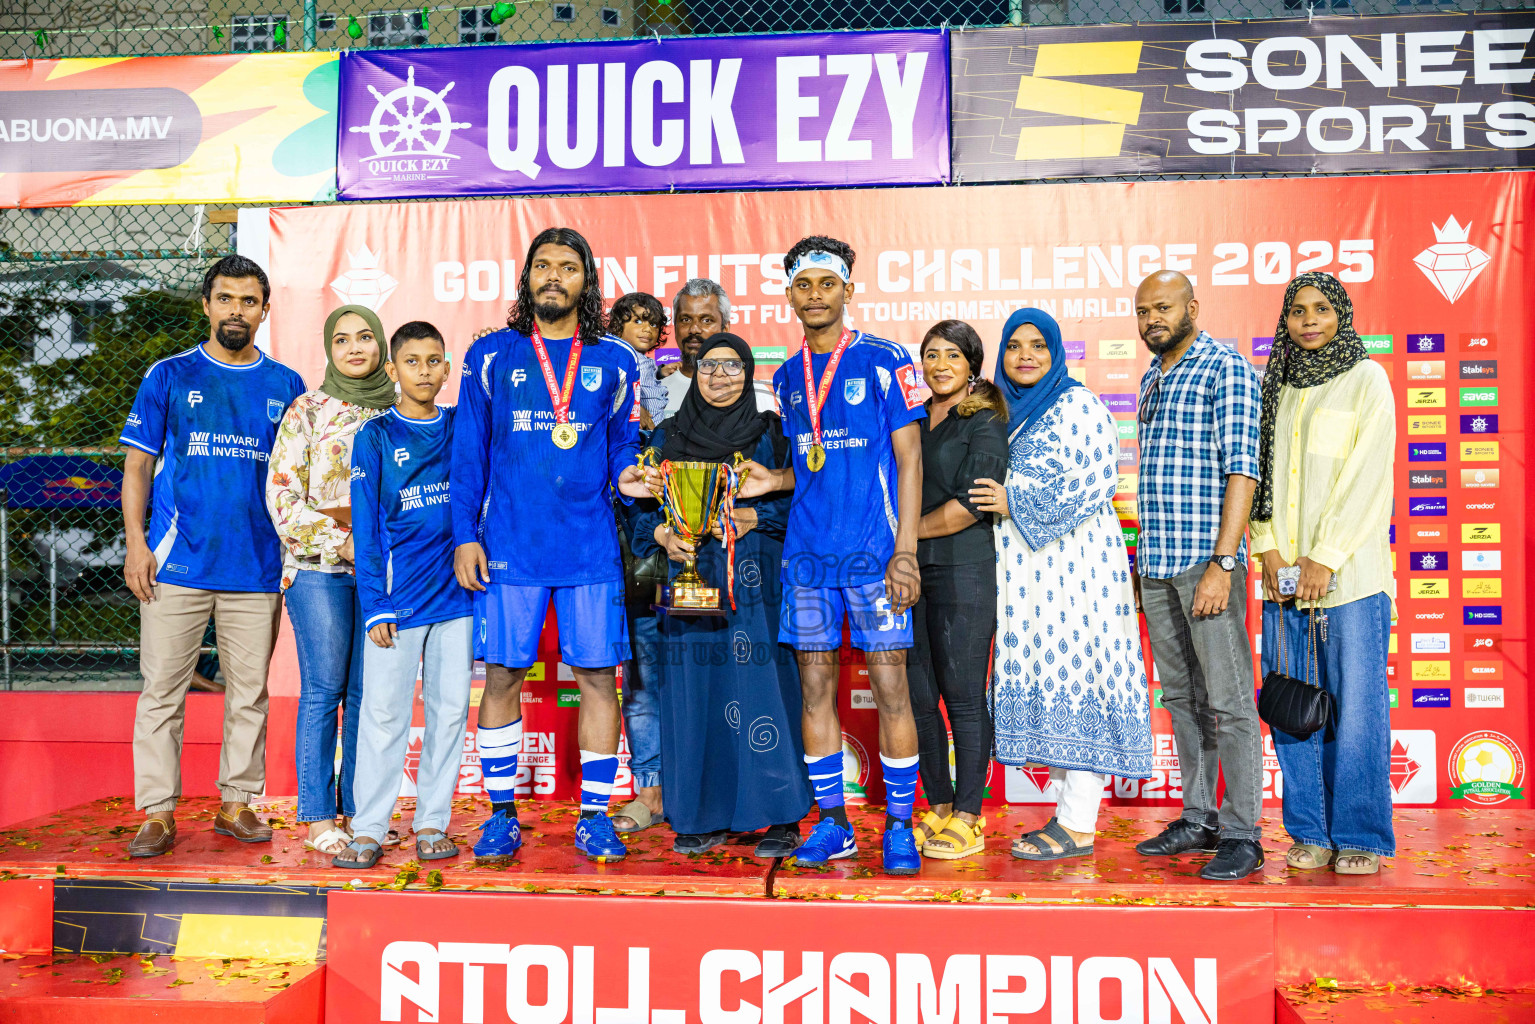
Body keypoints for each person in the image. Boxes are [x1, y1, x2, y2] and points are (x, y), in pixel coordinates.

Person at [451, 227, 654, 863]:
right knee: (504, 676)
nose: (554, 277)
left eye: (568, 268)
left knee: (598, 677)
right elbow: (468, 456)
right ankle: (502, 816)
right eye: (543, 266)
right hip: (510, 544)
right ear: (527, 276)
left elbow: (623, 443)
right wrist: (464, 537)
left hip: (590, 547)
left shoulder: (617, 361)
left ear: (586, 282)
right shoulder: (491, 356)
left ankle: (594, 816)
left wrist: (630, 474)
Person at [738, 235, 927, 875]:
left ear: (849, 290)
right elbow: (817, 463)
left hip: (874, 556)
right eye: (803, 285)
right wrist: (775, 481)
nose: (815, 296)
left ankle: (900, 826)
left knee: (890, 685)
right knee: (815, 686)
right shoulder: (787, 376)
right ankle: (834, 824)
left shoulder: (885, 360)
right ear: (789, 294)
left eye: (827, 283)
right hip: (809, 557)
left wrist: (905, 551)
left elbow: (908, 459)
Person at [119, 255, 305, 858]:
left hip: (256, 566)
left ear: (264, 309)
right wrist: (136, 542)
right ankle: (157, 812)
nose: (236, 311)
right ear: (206, 304)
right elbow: (139, 465)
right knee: (162, 693)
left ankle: (237, 803)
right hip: (176, 563)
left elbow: (298, 478)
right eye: (225, 299)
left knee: (248, 692)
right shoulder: (169, 376)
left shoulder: (285, 385)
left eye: (248, 301)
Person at [971, 308, 1153, 860]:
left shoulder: (1081, 405)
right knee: (1046, 681)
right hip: (1022, 577)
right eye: (1014, 346)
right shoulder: (995, 409)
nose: (1025, 355)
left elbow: (1096, 479)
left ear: (1055, 353)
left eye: (1038, 346)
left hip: (1080, 573)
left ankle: (1078, 825)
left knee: (1084, 679)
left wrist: (1013, 499)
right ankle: (1066, 818)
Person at [631, 334, 812, 856]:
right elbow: (641, 509)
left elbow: (804, 497)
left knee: (764, 691)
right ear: (694, 371)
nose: (719, 375)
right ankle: (701, 812)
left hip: (754, 578)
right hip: (690, 577)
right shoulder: (666, 436)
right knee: (694, 696)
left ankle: (779, 813)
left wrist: (760, 514)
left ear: (748, 372)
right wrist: (663, 536)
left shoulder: (773, 435)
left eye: (732, 366)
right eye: (708, 365)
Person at [1251, 273, 1395, 876]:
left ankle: (1361, 835)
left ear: (1342, 313)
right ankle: (1308, 830)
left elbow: (1367, 478)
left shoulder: (1367, 380)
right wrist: (1271, 553)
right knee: (1294, 707)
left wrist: (1324, 556)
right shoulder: (1275, 387)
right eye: (1297, 311)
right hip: (1284, 580)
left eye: (1321, 308)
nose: (1309, 320)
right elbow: (1260, 478)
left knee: (1357, 708)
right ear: (1284, 320)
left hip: (1351, 580)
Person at [1132, 270, 1266, 881]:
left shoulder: (1225, 368)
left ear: (1192, 306)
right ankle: (1200, 816)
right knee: (1184, 700)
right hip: (1157, 567)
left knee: (1232, 702)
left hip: (1203, 565)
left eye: (1163, 306)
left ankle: (1243, 834)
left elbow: (1243, 471)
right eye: (1143, 311)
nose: (1152, 319)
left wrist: (1223, 562)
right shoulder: (1151, 378)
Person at [336, 321, 473, 869]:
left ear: (445, 368)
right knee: (384, 716)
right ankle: (368, 827)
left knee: (448, 714)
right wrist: (376, 604)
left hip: (459, 596)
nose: (423, 370)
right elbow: (366, 530)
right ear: (392, 371)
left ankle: (433, 823)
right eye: (411, 361)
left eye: (433, 360)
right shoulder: (373, 436)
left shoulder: (463, 426)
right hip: (398, 601)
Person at [266, 304, 396, 856]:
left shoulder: (401, 410)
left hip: (384, 579)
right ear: (328, 348)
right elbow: (281, 495)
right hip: (320, 572)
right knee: (324, 691)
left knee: (369, 697)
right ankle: (320, 817)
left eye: (366, 337)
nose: (355, 348)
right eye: (342, 340)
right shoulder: (308, 411)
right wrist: (340, 540)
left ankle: (360, 812)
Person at [906, 321, 1007, 860]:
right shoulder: (913, 420)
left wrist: (905, 534)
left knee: (963, 696)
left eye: (952, 355)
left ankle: (970, 814)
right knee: (920, 697)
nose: (940, 365)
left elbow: (974, 504)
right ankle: (939, 807)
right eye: (931, 354)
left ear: (972, 364)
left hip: (964, 571)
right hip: (908, 574)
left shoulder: (984, 421)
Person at [605, 291, 669, 836]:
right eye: (632, 321)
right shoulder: (598, 372)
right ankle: (649, 789)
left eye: (652, 323)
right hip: (629, 551)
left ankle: (701, 786)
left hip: (698, 558)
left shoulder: (688, 395)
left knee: (705, 678)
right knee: (642, 676)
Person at [662, 279, 775, 416]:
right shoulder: (657, 392)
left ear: (725, 328)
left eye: (706, 320)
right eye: (685, 320)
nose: (694, 329)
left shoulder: (756, 393)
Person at [607, 291, 670, 429]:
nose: (647, 329)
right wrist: (633, 408)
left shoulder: (643, 359)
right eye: (638, 321)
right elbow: (609, 390)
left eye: (654, 324)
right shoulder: (617, 357)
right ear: (618, 326)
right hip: (633, 433)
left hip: (654, 434)